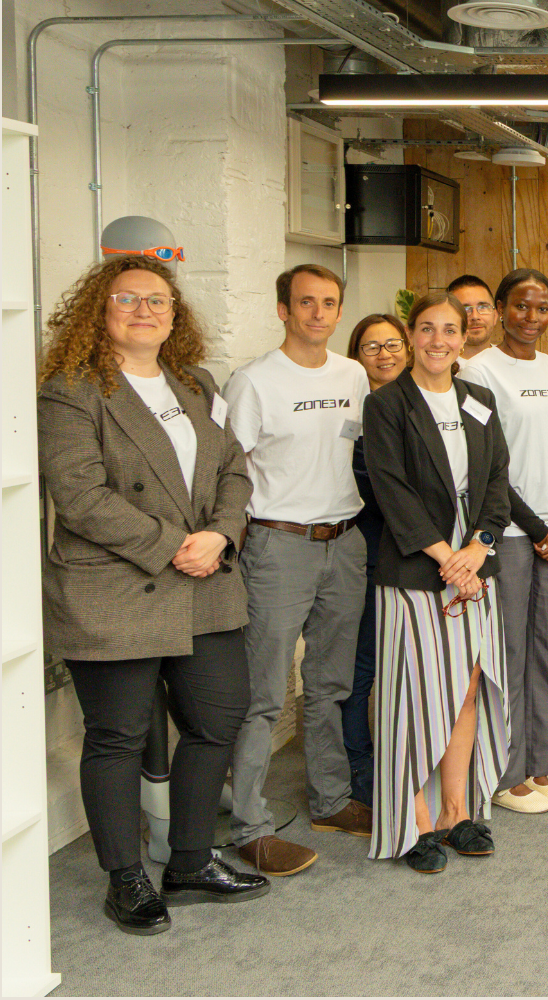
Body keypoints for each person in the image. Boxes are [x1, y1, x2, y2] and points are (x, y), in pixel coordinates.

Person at [39, 256, 268, 935]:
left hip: (205, 579)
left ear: (176, 315)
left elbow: (234, 468)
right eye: (127, 298)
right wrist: (176, 542)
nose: (145, 310)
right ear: (97, 311)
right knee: (118, 736)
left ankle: (191, 859)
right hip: (117, 587)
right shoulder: (71, 391)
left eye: (159, 301)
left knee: (217, 718)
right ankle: (126, 878)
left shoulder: (194, 383)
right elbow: (79, 497)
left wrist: (222, 535)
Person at [224, 264, 371, 877]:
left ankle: (330, 799)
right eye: (305, 303)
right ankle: (250, 825)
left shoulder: (354, 374)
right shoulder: (253, 381)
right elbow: (230, 473)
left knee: (331, 684)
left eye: (329, 303)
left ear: (340, 313)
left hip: (346, 541)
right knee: (264, 695)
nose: (317, 313)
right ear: (282, 309)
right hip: (278, 545)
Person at [362, 291, 511, 872]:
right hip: (417, 572)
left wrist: (479, 548)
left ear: (463, 335)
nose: (439, 341)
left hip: (475, 569)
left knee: (467, 689)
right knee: (418, 695)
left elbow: (498, 477)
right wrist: (449, 557)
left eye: (450, 329)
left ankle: (456, 812)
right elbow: (390, 488)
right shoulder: (389, 405)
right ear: (411, 335)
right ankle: (415, 823)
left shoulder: (479, 399)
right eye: (427, 329)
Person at [460, 269, 548, 815]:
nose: (531, 318)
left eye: (541, 308)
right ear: (498, 309)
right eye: (520, 307)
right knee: (509, 652)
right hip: (512, 536)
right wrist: (540, 532)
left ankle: (543, 765)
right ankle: (506, 772)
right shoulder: (476, 369)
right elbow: (488, 464)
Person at [345, 313, 410, 807]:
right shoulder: (355, 408)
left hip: (428, 558)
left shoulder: (424, 401)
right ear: (356, 355)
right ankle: (361, 771)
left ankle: (410, 761)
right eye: (372, 347)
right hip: (370, 552)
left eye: (392, 344)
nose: (385, 355)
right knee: (363, 665)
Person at [447, 274, 498, 364]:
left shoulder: (510, 361)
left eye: (483, 307)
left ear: (495, 315)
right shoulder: (442, 367)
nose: (475, 316)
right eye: (465, 309)